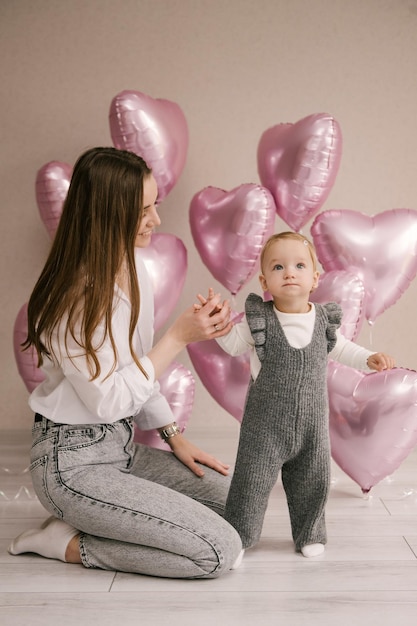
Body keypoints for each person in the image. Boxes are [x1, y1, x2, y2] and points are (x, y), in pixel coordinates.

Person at [8, 146, 243, 578]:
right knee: (218, 552)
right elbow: (110, 401)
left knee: (243, 510)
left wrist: (174, 437)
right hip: (71, 464)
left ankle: (105, 518)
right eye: (143, 210)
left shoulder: (132, 268)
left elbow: (135, 365)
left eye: (156, 205)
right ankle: (66, 542)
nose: (156, 220)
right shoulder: (73, 299)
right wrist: (178, 336)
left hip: (119, 448)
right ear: (104, 214)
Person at [197, 231, 395, 560]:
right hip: (263, 427)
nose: (289, 272)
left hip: (312, 427)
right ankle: (241, 534)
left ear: (315, 278)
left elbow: (342, 348)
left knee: (313, 480)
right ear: (264, 280)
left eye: (299, 265)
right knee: (251, 482)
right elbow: (233, 344)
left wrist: (368, 358)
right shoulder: (260, 319)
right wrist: (218, 323)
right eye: (278, 267)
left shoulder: (322, 320)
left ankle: (309, 532)